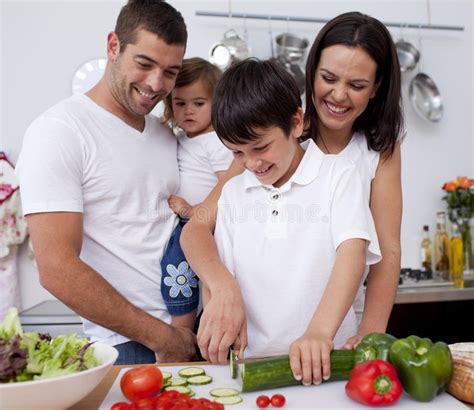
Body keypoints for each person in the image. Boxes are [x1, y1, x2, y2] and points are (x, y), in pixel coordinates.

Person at [181, 11, 403, 374]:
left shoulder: (355, 164)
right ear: (312, 72)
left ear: (376, 87)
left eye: (357, 85)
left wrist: (370, 334)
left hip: (331, 340)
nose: (339, 94)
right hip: (254, 360)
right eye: (328, 78)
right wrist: (221, 293)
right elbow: (203, 229)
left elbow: (378, 250)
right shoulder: (260, 138)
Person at [15, 0, 197, 365]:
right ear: (113, 46)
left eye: (170, 72)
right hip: (131, 344)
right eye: (144, 64)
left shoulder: (165, 133)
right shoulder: (60, 132)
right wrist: (163, 337)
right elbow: (56, 268)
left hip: (192, 331)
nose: (155, 84)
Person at [211, 58, 381, 384]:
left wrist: (318, 332)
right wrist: (218, 320)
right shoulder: (233, 193)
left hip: (327, 365)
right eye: (236, 153)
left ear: (296, 122)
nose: (251, 163)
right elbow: (222, 272)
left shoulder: (338, 175)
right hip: (253, 370)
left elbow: (353, 254)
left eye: (260, 147)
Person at [159, 57, 232, 330]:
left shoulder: (216, 142)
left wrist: (195, 210)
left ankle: (182, 327)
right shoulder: (182, 139)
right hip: (187, 219)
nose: (188, 111)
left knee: (177, 264)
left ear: (217, 103)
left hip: (202, 221)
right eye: (180, 103)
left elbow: (228, 186)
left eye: (199, 104)